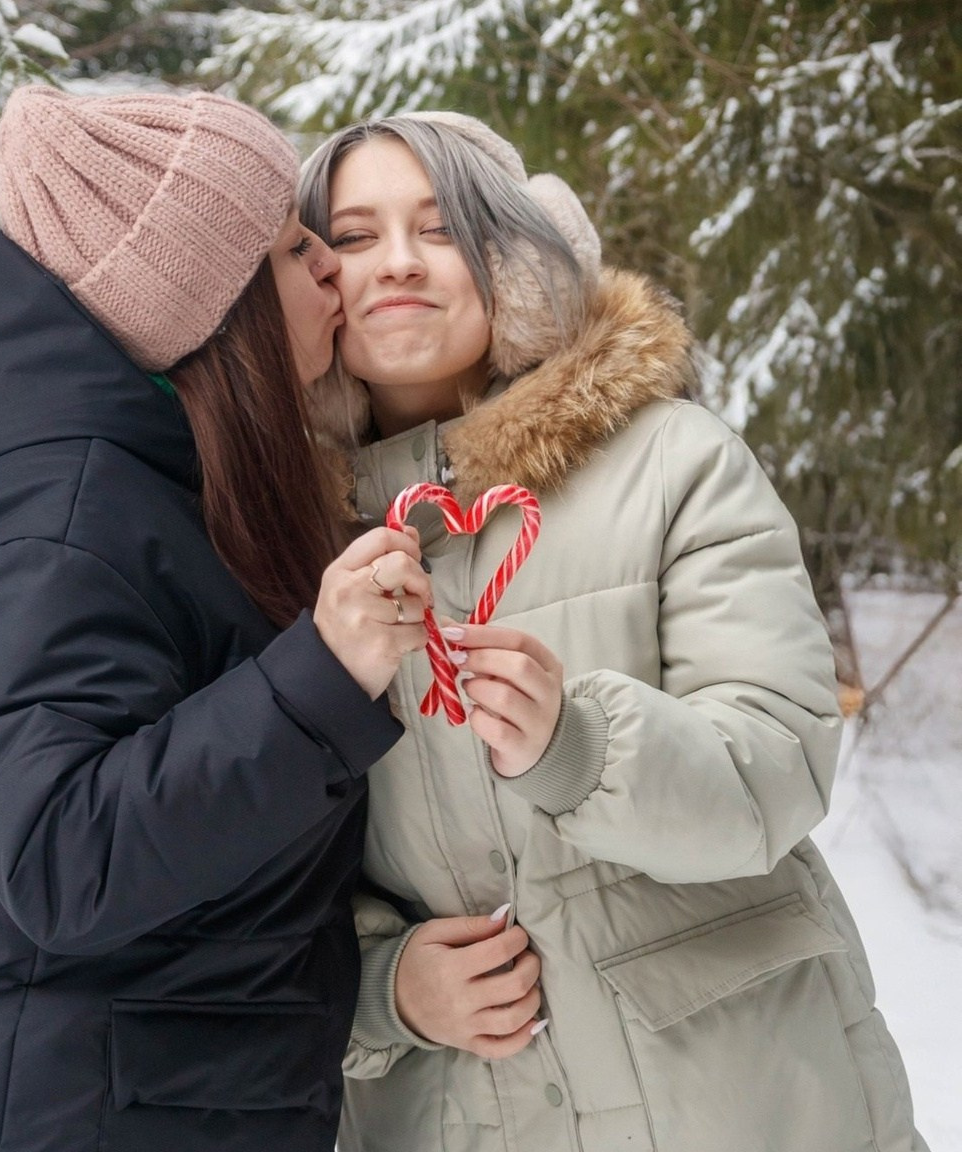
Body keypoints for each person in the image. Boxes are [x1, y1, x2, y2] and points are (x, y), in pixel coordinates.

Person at [0, 86, 435, 1152]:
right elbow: (57, 854)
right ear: (209, 309)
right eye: (286, 248)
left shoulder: (129, 487)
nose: (330, 265)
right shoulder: (56, 519)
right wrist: (319, 675)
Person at [297, 112, 926, 1152]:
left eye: (438, 227)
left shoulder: (671, 463)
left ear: (510, 258)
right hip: (461, 1113)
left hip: (742, 1096)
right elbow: (251, 876)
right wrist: (385, 987)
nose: (396, 264)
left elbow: (778, 767)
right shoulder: (281, 544)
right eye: (353, 238)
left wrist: (578, 747)